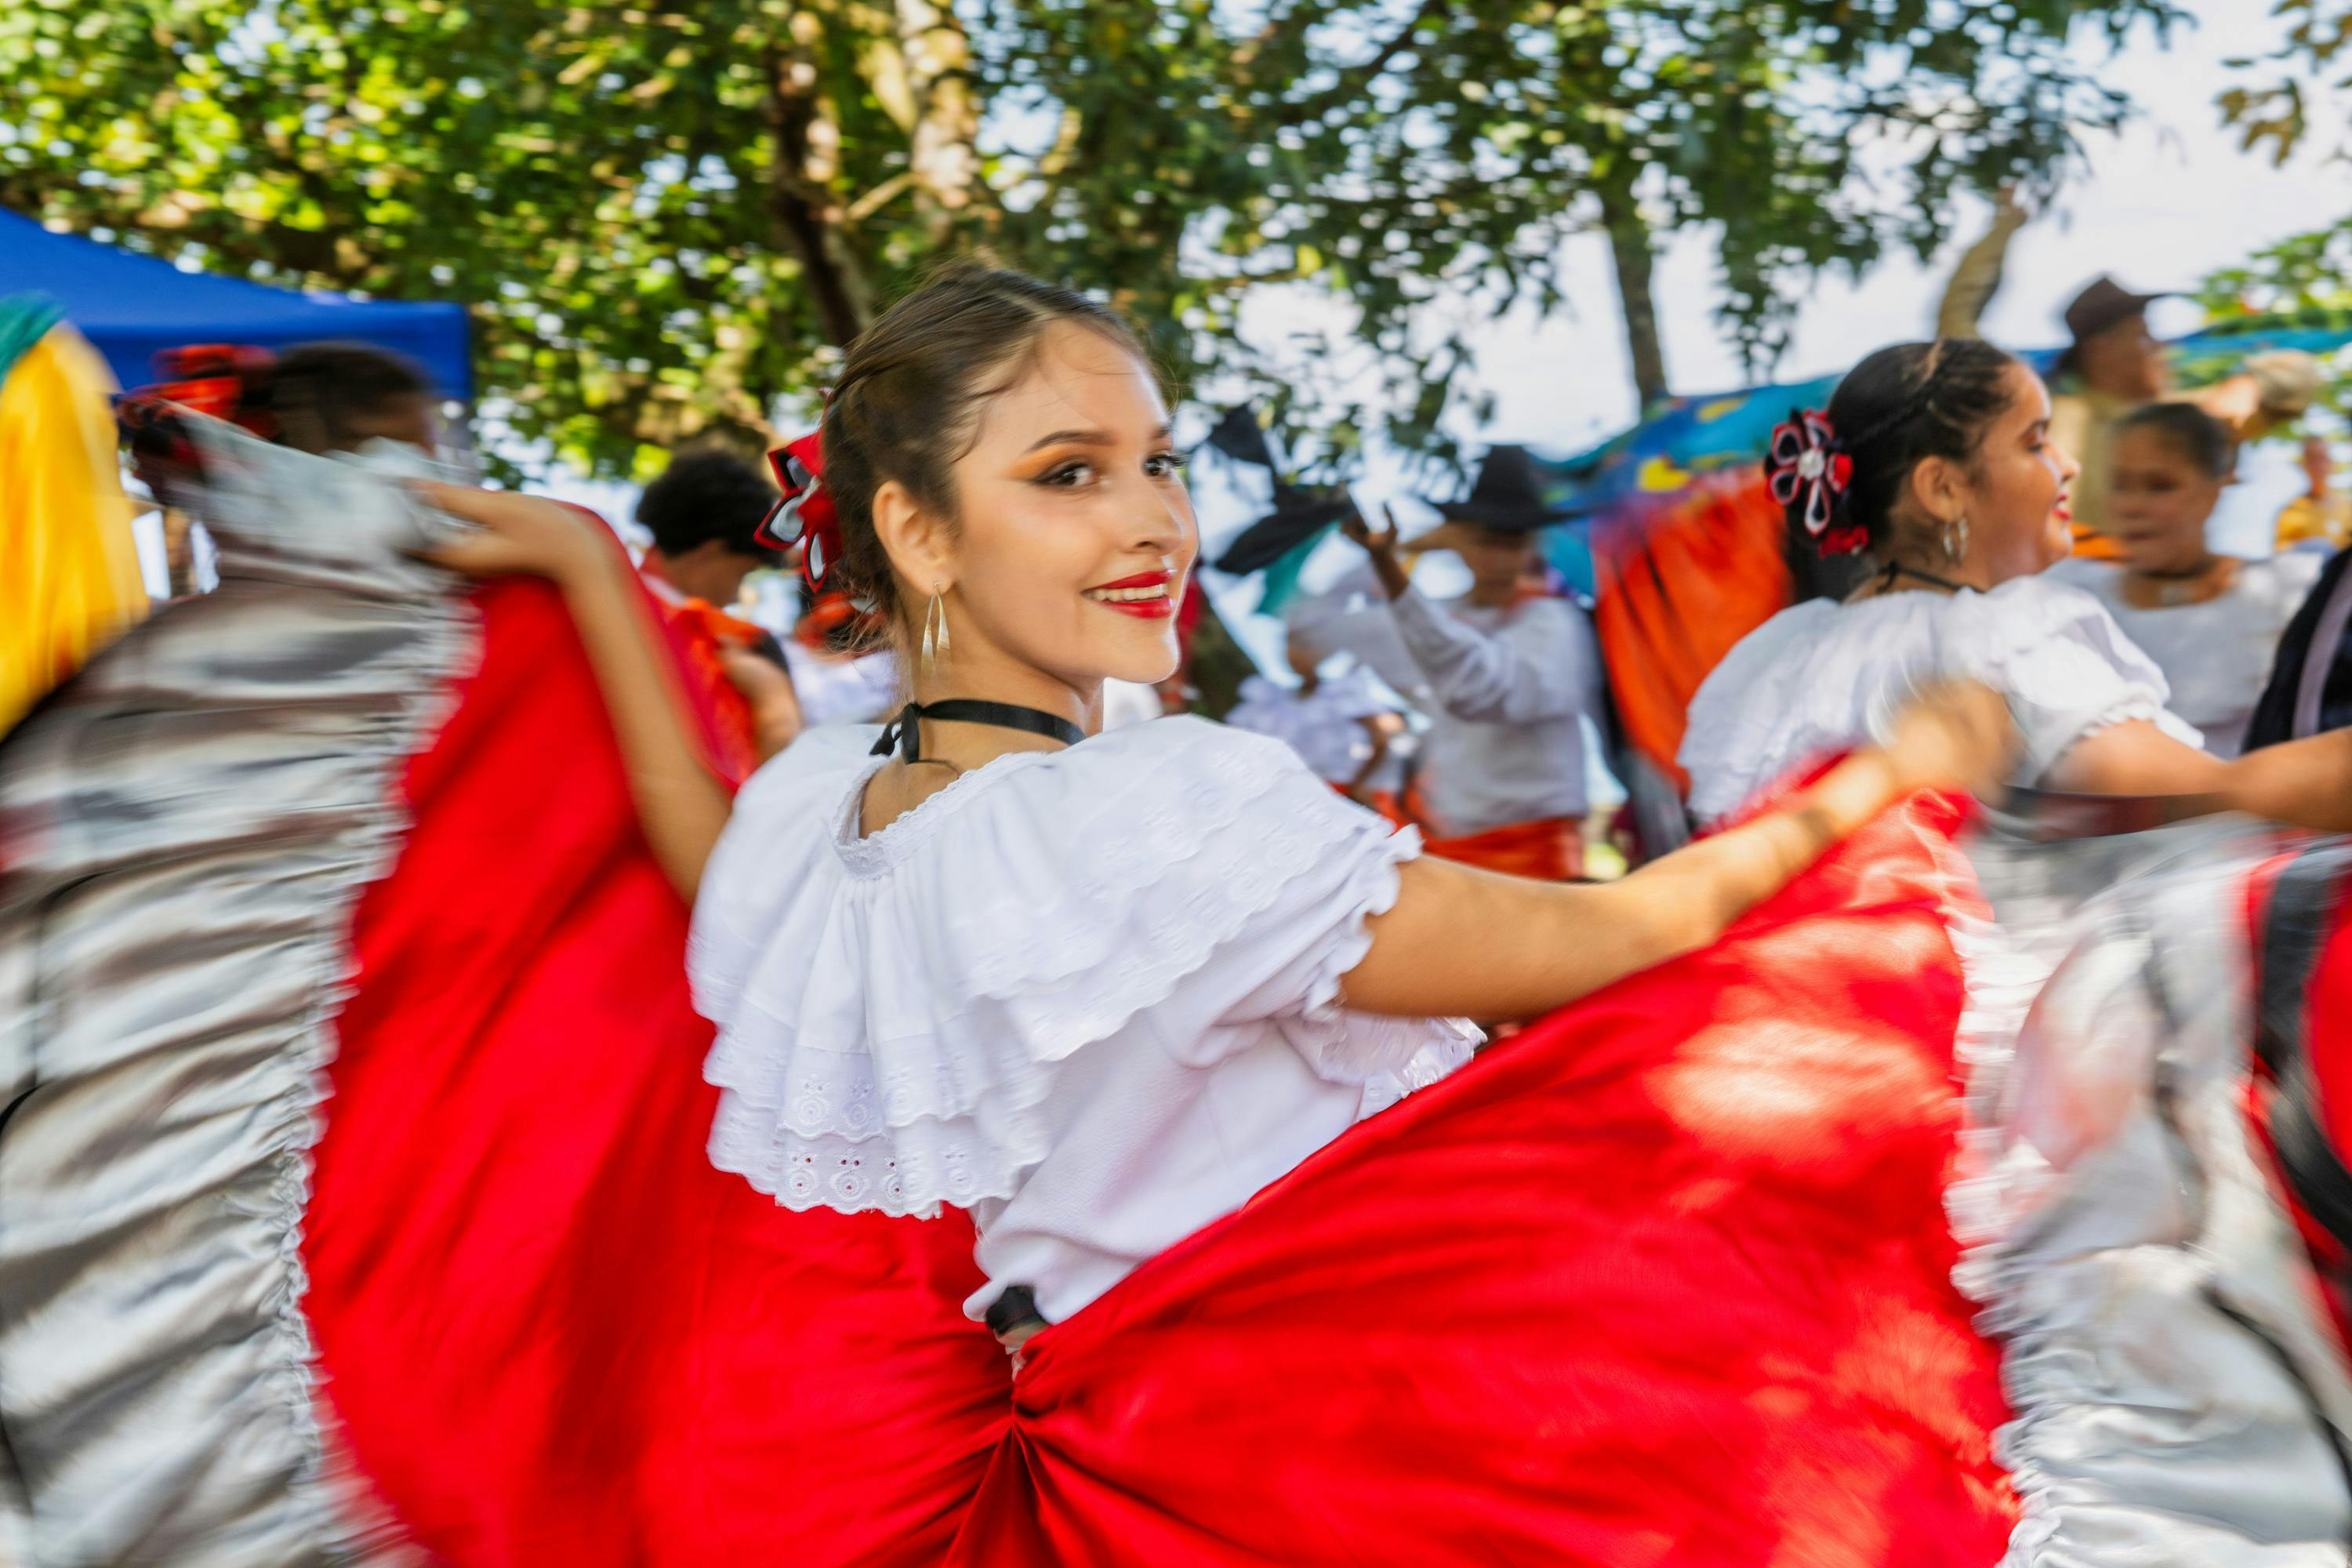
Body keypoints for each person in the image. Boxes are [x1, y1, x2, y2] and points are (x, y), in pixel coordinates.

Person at [417, 265, 2031, 1560]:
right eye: (1070, 475)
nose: (1153, 522)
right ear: (915, 531)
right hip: (1312, 1457)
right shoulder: (1154, 812)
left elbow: (693, 838)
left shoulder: (832, 816)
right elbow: (1615, 941)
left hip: (1080, 1470)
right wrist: (1886, 775)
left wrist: (583, 573)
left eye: (1157, 465)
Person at [1683, 336, 2352, 832]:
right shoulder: (1999, 641)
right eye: (2036, 443)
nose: (2067, 464)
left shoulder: (1782, 654)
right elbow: (2226, 795)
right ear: (1943, 489)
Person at [1334, 447, 1601, 880]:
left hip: (1532, 852)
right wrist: (1401, 549)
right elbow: (1316, 621)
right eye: (1484, 542)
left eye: (1511, 545)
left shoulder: (1552, 623)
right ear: (1458, 540)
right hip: (1441, 843)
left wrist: (1389, 567)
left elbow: (1479, 689)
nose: (1497, 560)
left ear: (1532, 546)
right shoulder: (1445, 614)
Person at [2048, 402, 2321, 757]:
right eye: (2120, 485)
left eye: (2160, 486)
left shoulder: (2288, 596)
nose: (2133, 506)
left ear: (2214, 490)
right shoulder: (2068, 602)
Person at [1223, 619, 1398, 809]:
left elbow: (1381, 741)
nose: (1293, 653)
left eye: (1302, 646)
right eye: (1288, 645)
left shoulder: (1343, 692)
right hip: (1284, 794)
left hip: (1338, 792)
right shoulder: (1271, 699)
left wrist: (1359, 785)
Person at [2277, 432, 2352, 554]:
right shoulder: (2292, 510)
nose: (2319, 466)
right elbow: (2281, 553)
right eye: (2313, 459)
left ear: (2332, 463)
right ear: (2304, 466)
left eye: (2323, 458)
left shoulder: (2348, 507)